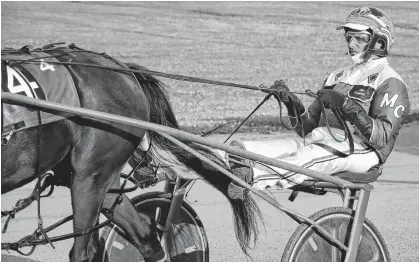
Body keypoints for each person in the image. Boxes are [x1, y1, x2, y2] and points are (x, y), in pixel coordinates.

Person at [227, 6, 411, 194]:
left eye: (360, 38)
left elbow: (381, 137)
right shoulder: (337, 77)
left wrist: (345, 105)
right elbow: (306, 129)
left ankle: (252, 178)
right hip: (322, 139)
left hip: (363, 151)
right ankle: (226, 161)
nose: (351, 44)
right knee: (251, 150)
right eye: (349, 37)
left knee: (311, 155)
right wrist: (291, 102)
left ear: (380, 41)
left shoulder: (390, 81)